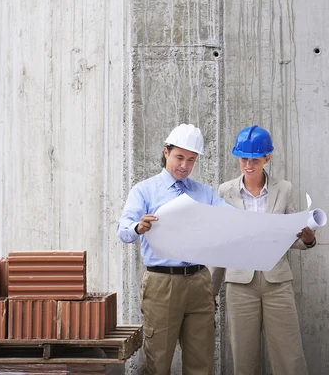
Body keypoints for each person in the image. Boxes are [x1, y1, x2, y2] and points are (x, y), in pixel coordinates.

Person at [117, 123, 233, 375]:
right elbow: (123, 230)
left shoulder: (205, 194)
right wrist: (138, 226)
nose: (184, 165)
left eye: (191, 160)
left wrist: (276, 228)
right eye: (179, 157)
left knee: (201, 362)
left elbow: (234, 219)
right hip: (162, 283)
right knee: (158, 361)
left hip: (200, 281)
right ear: (166, 152)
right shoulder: (144, 191)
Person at [211, 125, 316, 375]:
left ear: (266, 158)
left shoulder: (284, 189)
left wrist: (308, 239)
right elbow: (220, 243)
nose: (248, 165)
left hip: (277, 282)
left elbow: (293, 236)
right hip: (239, 284)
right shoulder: (225, 192)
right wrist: (210, 290)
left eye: (255, 159)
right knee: (244, 357)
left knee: (289, 354)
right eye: (244, 158)